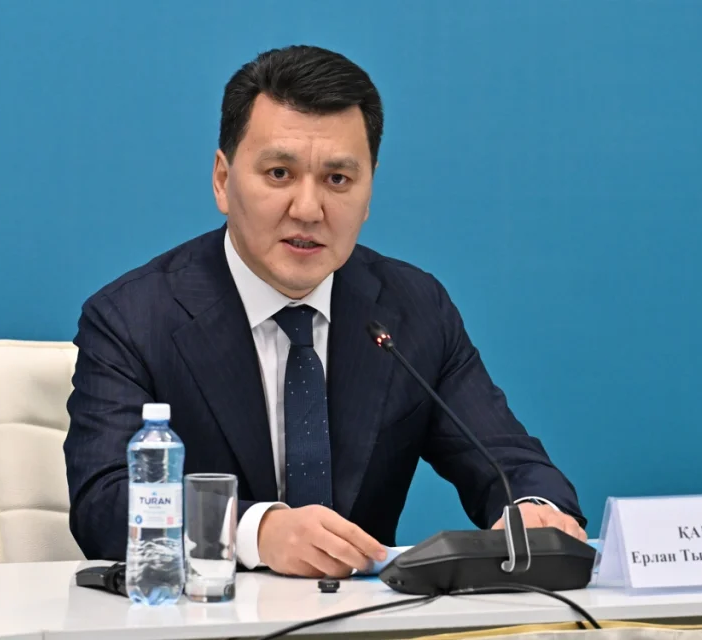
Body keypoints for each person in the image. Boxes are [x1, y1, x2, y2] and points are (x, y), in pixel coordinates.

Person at [64, 44, 586, 579]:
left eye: (338, 180)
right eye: (279, 173)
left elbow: (508, 460)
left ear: (368, 191)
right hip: (204, 613)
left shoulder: (413, 309)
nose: (309, 209)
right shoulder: (133, 319)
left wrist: (533, 511)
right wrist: (257, 531)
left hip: (361, 617)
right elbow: (103, 504)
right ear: (222, 180)